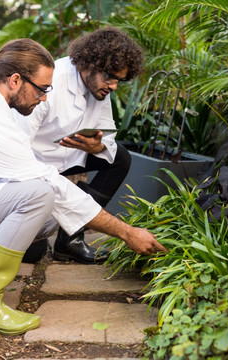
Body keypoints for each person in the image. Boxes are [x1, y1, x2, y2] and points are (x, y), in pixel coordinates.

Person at [0, 38, 167, 336]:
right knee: (40, 193)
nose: (44, 99)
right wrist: (127, 232)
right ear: (15, 80)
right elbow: (45, 181)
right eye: (41, 90)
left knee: (50, 211)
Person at [15, 27, 143, 264]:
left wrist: (98, 147)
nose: (114, 86)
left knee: (120, 158)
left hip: (66, 158)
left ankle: (70, 240)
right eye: (110, 77)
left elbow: (108, 135)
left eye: (119, 80)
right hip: (32, 167)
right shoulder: (50, 81)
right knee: (32, 254)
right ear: (90, 63)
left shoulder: (99, 88)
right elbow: (17, 145)